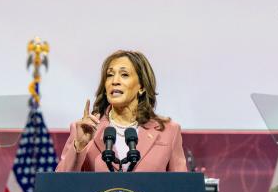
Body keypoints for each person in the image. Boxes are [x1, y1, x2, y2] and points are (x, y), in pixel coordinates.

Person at [57, 49, 187, 172]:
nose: (115, 81)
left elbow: (181, 188)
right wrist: (79, 146)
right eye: (110, 75)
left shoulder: (168, 131)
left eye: (124, 75)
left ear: (142, 86)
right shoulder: (86, 129)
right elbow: (60, 185)